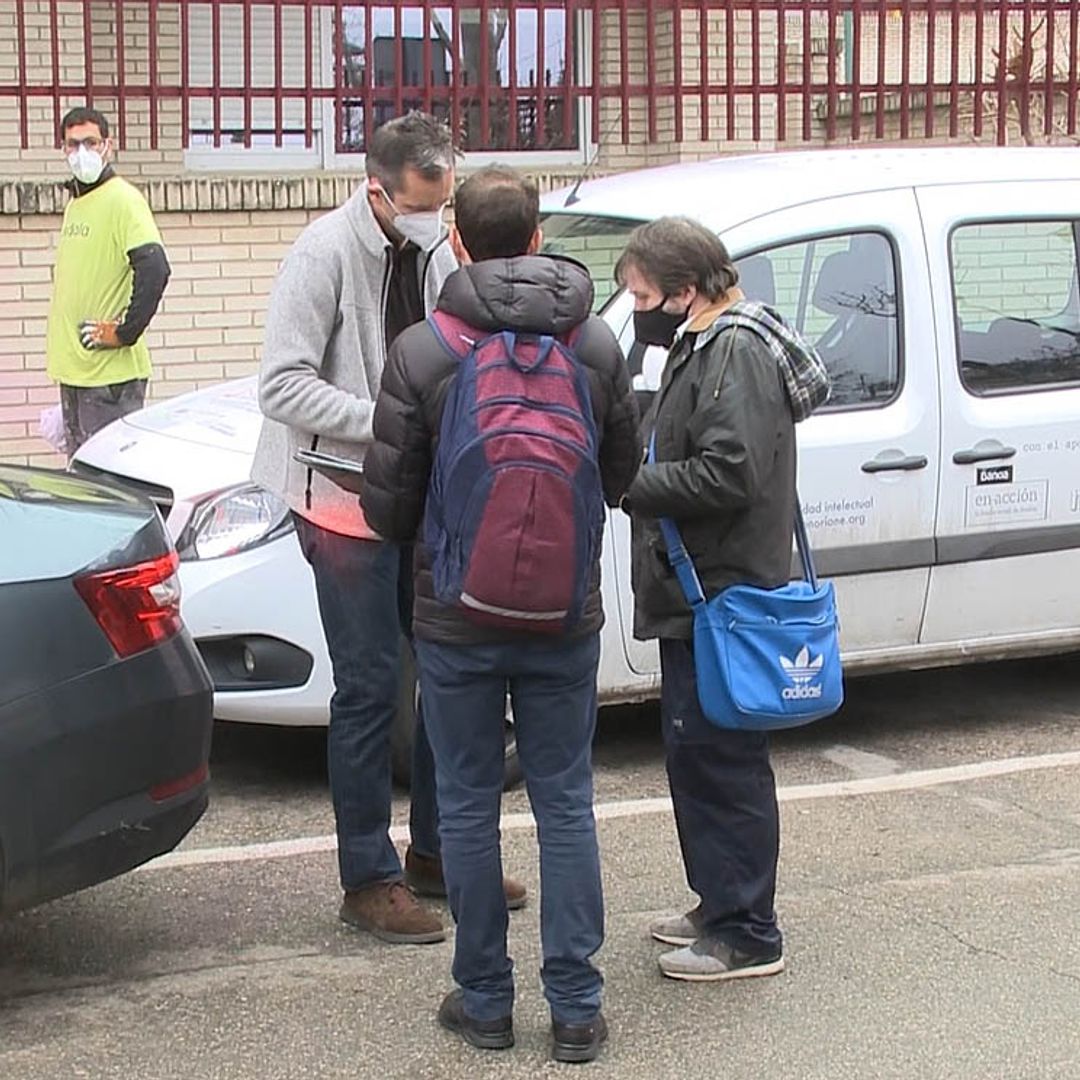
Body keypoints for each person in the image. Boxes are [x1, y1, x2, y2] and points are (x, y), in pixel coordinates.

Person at [361, 166, 640, 1062]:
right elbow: (622, 476)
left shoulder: (424, 349)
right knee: (565, 804)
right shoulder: (595, 344)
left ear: (458, 240)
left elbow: (388, 509)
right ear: (535, 241)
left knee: (471, 808)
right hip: (564, 612)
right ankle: (577, 1008)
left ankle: (483, 1000)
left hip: (455, 616)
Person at [252, 112, 525, 946]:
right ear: (377, 188)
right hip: (339, 501)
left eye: (444, 208)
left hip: (422, 495)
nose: (437, 225)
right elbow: (282, 387)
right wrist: (388, 419)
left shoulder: (438, 245)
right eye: (420, 207)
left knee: (445, 672)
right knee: (370, 687)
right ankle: (366, 878)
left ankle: (437, 853)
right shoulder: (322, 254)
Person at [616, 217, 825, 982]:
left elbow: (728, 472)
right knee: (696, 756)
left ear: (684, 290)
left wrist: (630, 485)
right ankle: (717, 903)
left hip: (724, 591)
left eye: (642, 295)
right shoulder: (702, 342)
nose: (636, 309)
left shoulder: (733, 349)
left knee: (725, 763)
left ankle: (748, 932)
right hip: (699, 590)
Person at [45, 107, 171, 455]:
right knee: (84, 486)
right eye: (73, 145)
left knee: (110, 490)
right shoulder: (78, 204)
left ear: (107, 146)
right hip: (76, 372)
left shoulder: (123, 199)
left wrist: (124, 332)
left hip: (108, 380)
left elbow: (154, 267)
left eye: (90, 142)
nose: (81, 152)